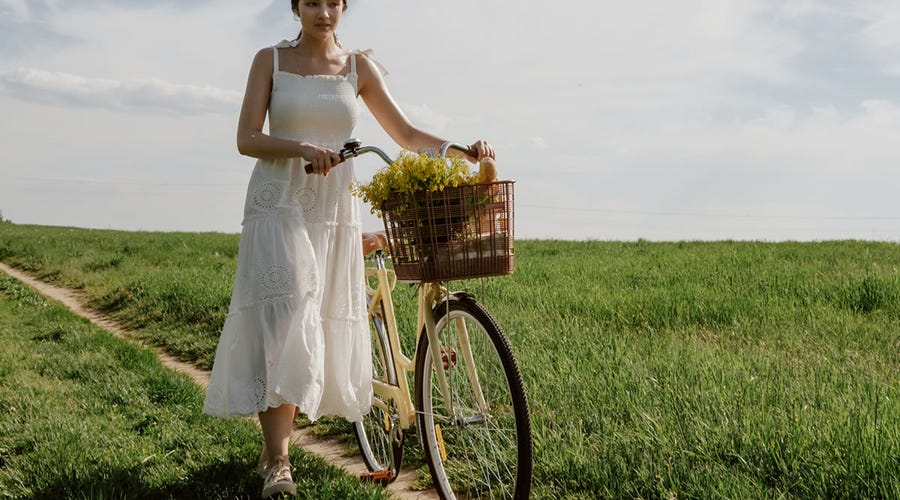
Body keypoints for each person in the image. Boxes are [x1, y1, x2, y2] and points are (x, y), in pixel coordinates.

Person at [202, 0, 495, 497]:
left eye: (332, 2)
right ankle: (277, 461)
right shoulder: (269, 60)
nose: (322, 12)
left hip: (331, 206)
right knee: (286, 312)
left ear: (343, 7)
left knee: (311, 314)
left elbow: (404, 134)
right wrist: (301, 148)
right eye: (311, 2)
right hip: (278, 201)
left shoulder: (358, 67)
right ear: (296, 7)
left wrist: (457, 150)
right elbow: (246, 138)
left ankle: (282, 443)